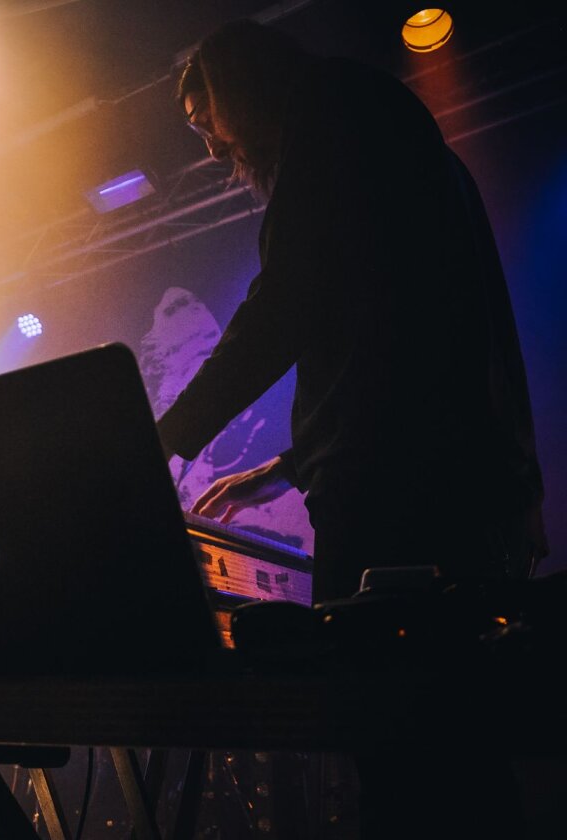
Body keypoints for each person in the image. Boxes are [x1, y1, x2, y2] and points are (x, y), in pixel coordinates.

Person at [153, 19, 547, 839]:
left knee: (399, 752)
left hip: (401, 503)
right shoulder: (377, 127)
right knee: (451, 752)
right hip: (446, 483)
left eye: (204, 119)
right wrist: (290, 465)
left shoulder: (333, 114)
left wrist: (169, 433)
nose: (211, 145)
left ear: (235, 87)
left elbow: (286, 303)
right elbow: (398, 341)